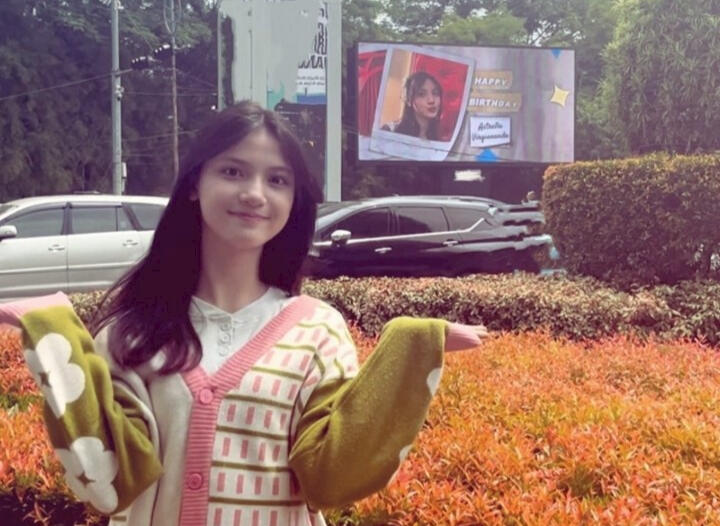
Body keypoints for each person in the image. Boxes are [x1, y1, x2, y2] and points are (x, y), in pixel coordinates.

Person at [0, 101, 487, 526]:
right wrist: (53, 332)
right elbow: (106, 482)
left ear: (293, 200)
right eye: (233, 172)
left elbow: (333, 476)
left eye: (277, 180)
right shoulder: (132, 333)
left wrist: (411, 346)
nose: (255, 193)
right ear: (195, 184)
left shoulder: (317, 331)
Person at [382, 71, 443, 141]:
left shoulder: (439, 139)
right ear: (409, 100)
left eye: (435, 93)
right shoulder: (390, 131)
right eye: (422, 94)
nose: (431, 100)